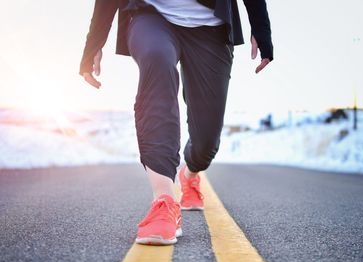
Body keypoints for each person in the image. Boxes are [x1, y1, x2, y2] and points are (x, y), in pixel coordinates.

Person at [80, 0, 273, 245]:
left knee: (206, 144)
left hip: (211, 28)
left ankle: (190, 172)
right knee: (156, 60)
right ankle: (163, 202)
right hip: (151, 16)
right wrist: (94, 43)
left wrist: (261, 29)